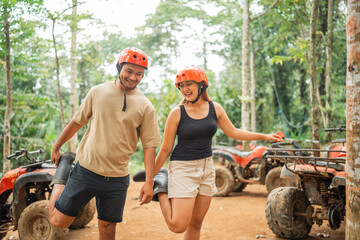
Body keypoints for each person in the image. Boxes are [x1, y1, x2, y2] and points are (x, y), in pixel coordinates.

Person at [133, 66, 283, 240]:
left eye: (189, 84)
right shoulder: (177, 113)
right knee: (177, 225)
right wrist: (150, 180)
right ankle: (162, 185)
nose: (184, 89)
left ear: (202, 85)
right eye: (181, 85)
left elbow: (234, 132)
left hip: (207, 169)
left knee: (195, 223)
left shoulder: (215, 109)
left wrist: (264, 136)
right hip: (183, 169)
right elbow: (166, 149)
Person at [49, 47, 161, 240]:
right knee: (58, 221)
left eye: (139, 74)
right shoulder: (98, 92)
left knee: (108, 228)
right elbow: (77, 121)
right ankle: (61, 177)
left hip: (117, 178)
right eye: (129, 71)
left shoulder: (145, 106)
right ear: (119, 67)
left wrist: (149, 181)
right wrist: (57, 145)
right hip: (86, 170)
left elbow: (149, 146)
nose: (133, 77)